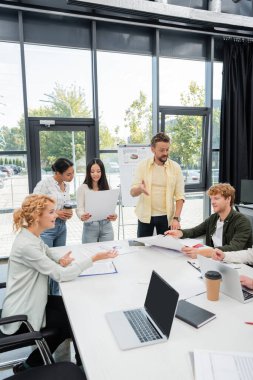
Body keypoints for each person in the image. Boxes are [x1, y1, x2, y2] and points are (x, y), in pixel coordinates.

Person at [0, 194, 117, 374]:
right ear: (37, 216)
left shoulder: (31, 236)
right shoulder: (27, 245)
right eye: (51, 212)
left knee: (72, 313)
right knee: (71, 320)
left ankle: (41, 365)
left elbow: (48, 253)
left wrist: (60, 259)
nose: (56, 215)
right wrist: (93, 258)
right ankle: (77, 367)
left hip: (33, 301)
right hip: (22, 313)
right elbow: (61, 275)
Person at [166, 183, 252, 258]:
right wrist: (180, 233)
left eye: (216, 198)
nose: (212, 202)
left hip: (235, 264)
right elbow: (195, 231)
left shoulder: (242, 221)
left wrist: (203, 252)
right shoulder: (214, 218)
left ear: (228, 199)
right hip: (215, 260)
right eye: (211, 199)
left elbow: (234, 248)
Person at [130, 132, 185, 237]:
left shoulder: (175, 168)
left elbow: (180, 196)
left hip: (167, 217)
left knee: (167, 249)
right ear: (152, 149)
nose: (165, 153)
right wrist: (140, 189)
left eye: (167, 149)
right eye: (161, 150)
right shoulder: (142, 166)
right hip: (145, 216)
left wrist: (176, 218)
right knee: (143, 249)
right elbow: (132, 192)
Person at [33, 158, 74, 295]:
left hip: (62, 228)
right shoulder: (45, 184)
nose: (72, 176)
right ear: (57, 172)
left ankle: (56, 296)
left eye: (72, 173)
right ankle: (46, 296)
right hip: (48, 230)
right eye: (68, 174)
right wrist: (56, 213)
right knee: (47, 265)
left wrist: (68, 213)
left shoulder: (66, 185)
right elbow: (34, 205)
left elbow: (65, 205)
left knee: (59, 263)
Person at [76, 158, 117, 243]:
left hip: (107, 226)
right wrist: (82, 215)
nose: (95, 174)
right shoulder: (83, 188)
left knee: (107, 254)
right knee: (90, 254)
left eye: (98, 171)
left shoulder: (107, 187)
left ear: (102, 172)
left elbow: (110, 208)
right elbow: (79, 209)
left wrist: (114, 215)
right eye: (92, 171)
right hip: (90, 226)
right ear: (88, 172)